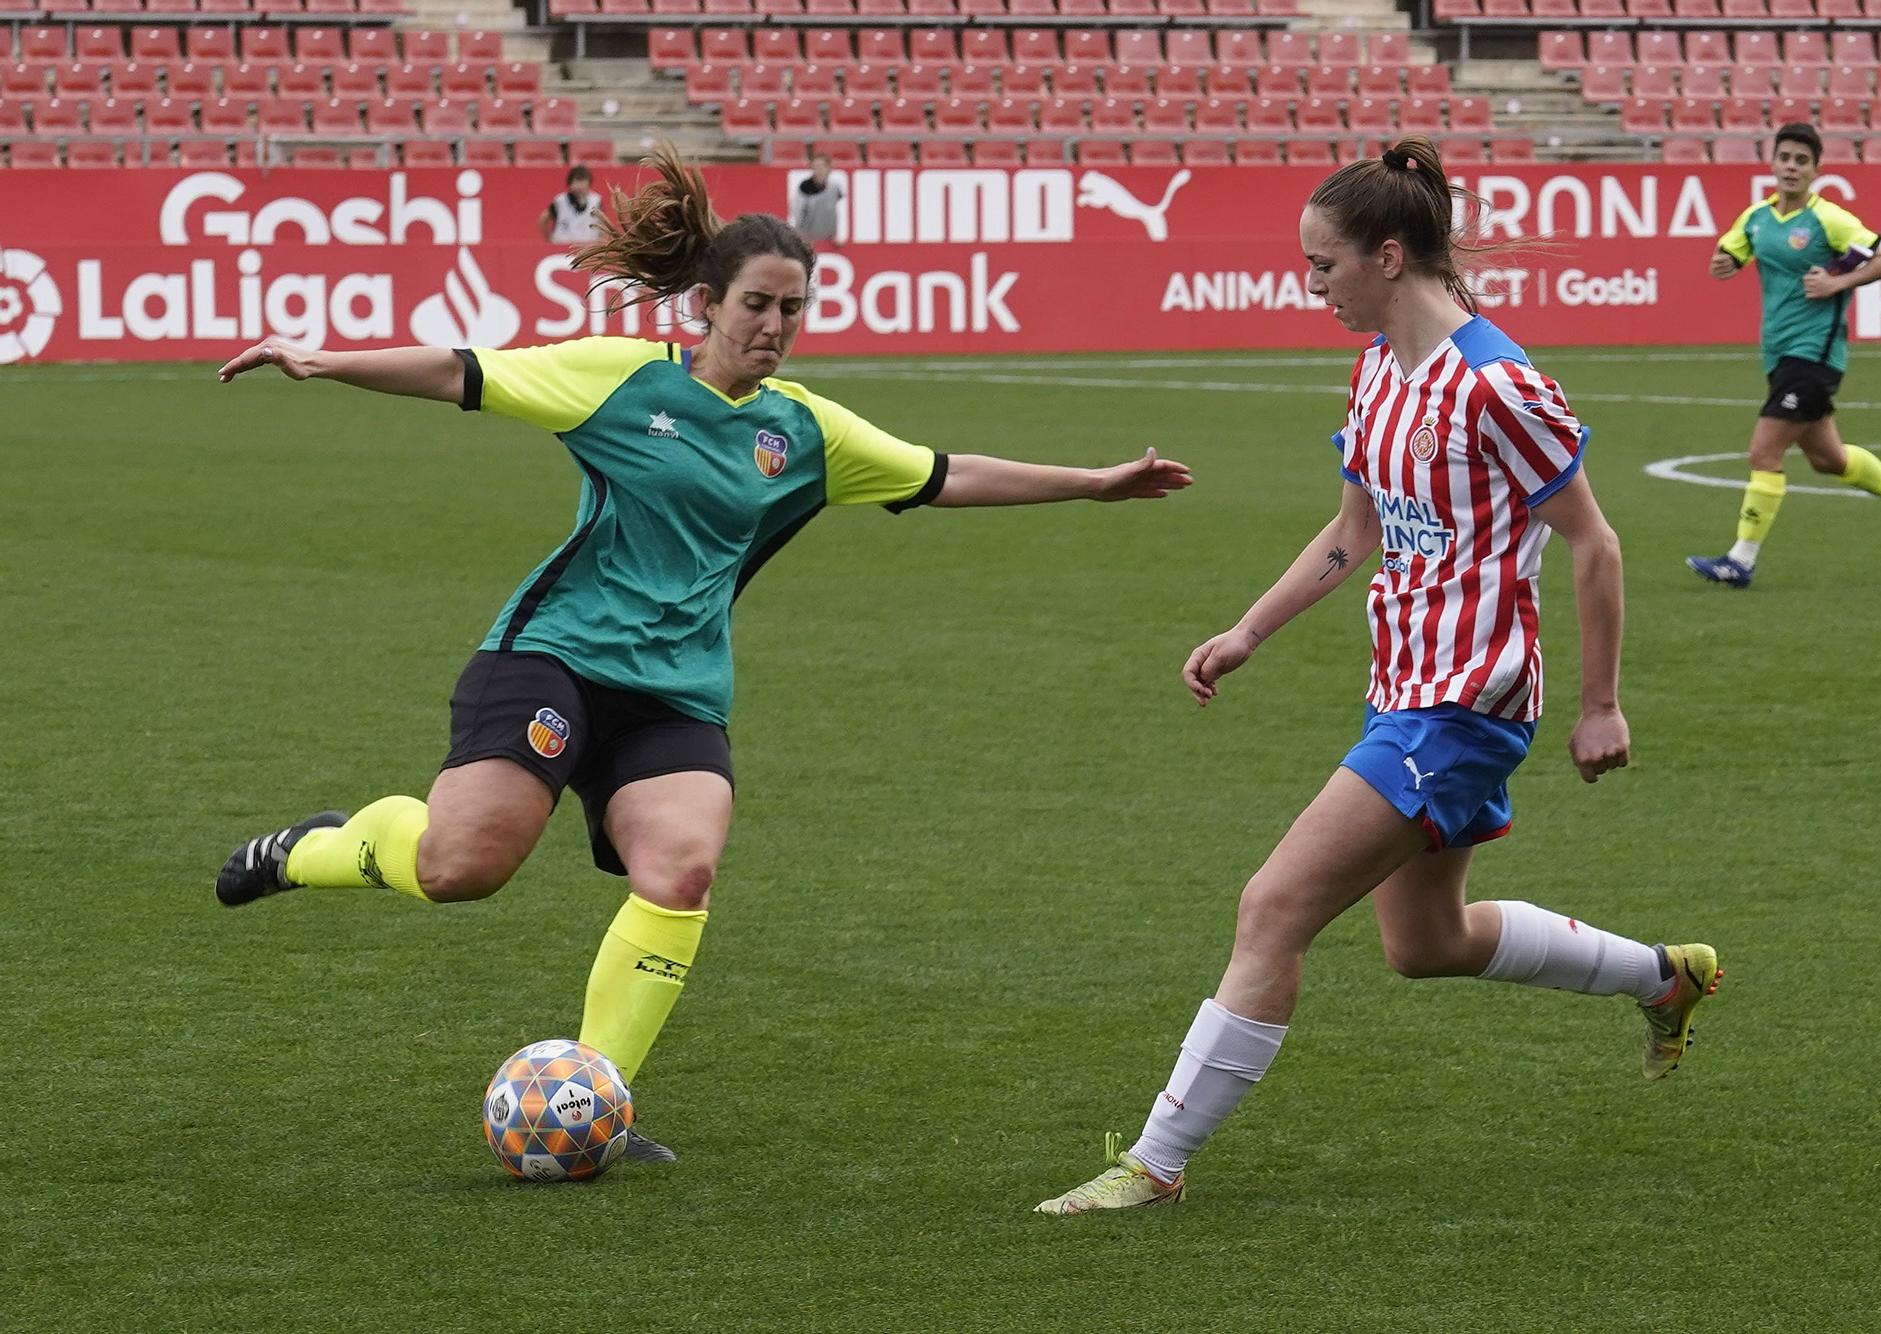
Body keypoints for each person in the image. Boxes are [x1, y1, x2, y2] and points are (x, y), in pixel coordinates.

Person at [212, 146, 1192, 1164]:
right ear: (704, 304)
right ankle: (311, 846)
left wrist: (1091, 481)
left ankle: (597, 1096)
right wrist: (325, 359)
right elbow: (463, 373)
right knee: (459, 866)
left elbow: (944, 473)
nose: (774, 326)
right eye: (757, 304)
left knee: (681, 869)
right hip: (551, 656)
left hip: (675, 692)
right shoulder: (617, 376)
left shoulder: (805, 431)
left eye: (792, 309)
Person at [1036, 137, 1718, 1216]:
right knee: (1423, 943)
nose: (1312, 285)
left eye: (1323, 265)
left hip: (1462, 702)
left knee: (1270, 907)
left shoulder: (1498, 383)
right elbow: (1355, 529)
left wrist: (1599, 704)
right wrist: (1248, 629)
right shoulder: (1377, 369)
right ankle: (1662, 974)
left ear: (1387, 256)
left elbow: (1594, 541)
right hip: (1402, 688)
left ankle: (1154, 1161)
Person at [1687, 122, 1881, 588]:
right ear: (1773, 162)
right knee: (1828, 458)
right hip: (1779, 354)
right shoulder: (1756, 218)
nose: (1792, 168)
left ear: (1816, 170)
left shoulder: (1830, 220)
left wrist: (1836, 283)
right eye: (1786, 158)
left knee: (1764, 451)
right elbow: (1728, 256)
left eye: (1802, 161)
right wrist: (1722, 264)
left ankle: (1740, 560)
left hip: (1815, 354)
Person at [540, 164, 603, 244]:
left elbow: (602, 225)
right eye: (577, 181)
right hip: (562, 247)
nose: (580, 186)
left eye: (583, 181)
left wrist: (601, 243)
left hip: (588, 247)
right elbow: (543, 219)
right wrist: (548, 240)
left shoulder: (596, 200)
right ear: (570, 183)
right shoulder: (560, 201)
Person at [789, 155, 842, 247]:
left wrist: (834, 234)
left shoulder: (834, 187)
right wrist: (803, 236)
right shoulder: (805, 187)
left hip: (827, 233)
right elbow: (797, 212)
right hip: (807, 234)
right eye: (816, 167)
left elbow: (834, 211)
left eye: (822, 166)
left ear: (829, 168)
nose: (819, 170)